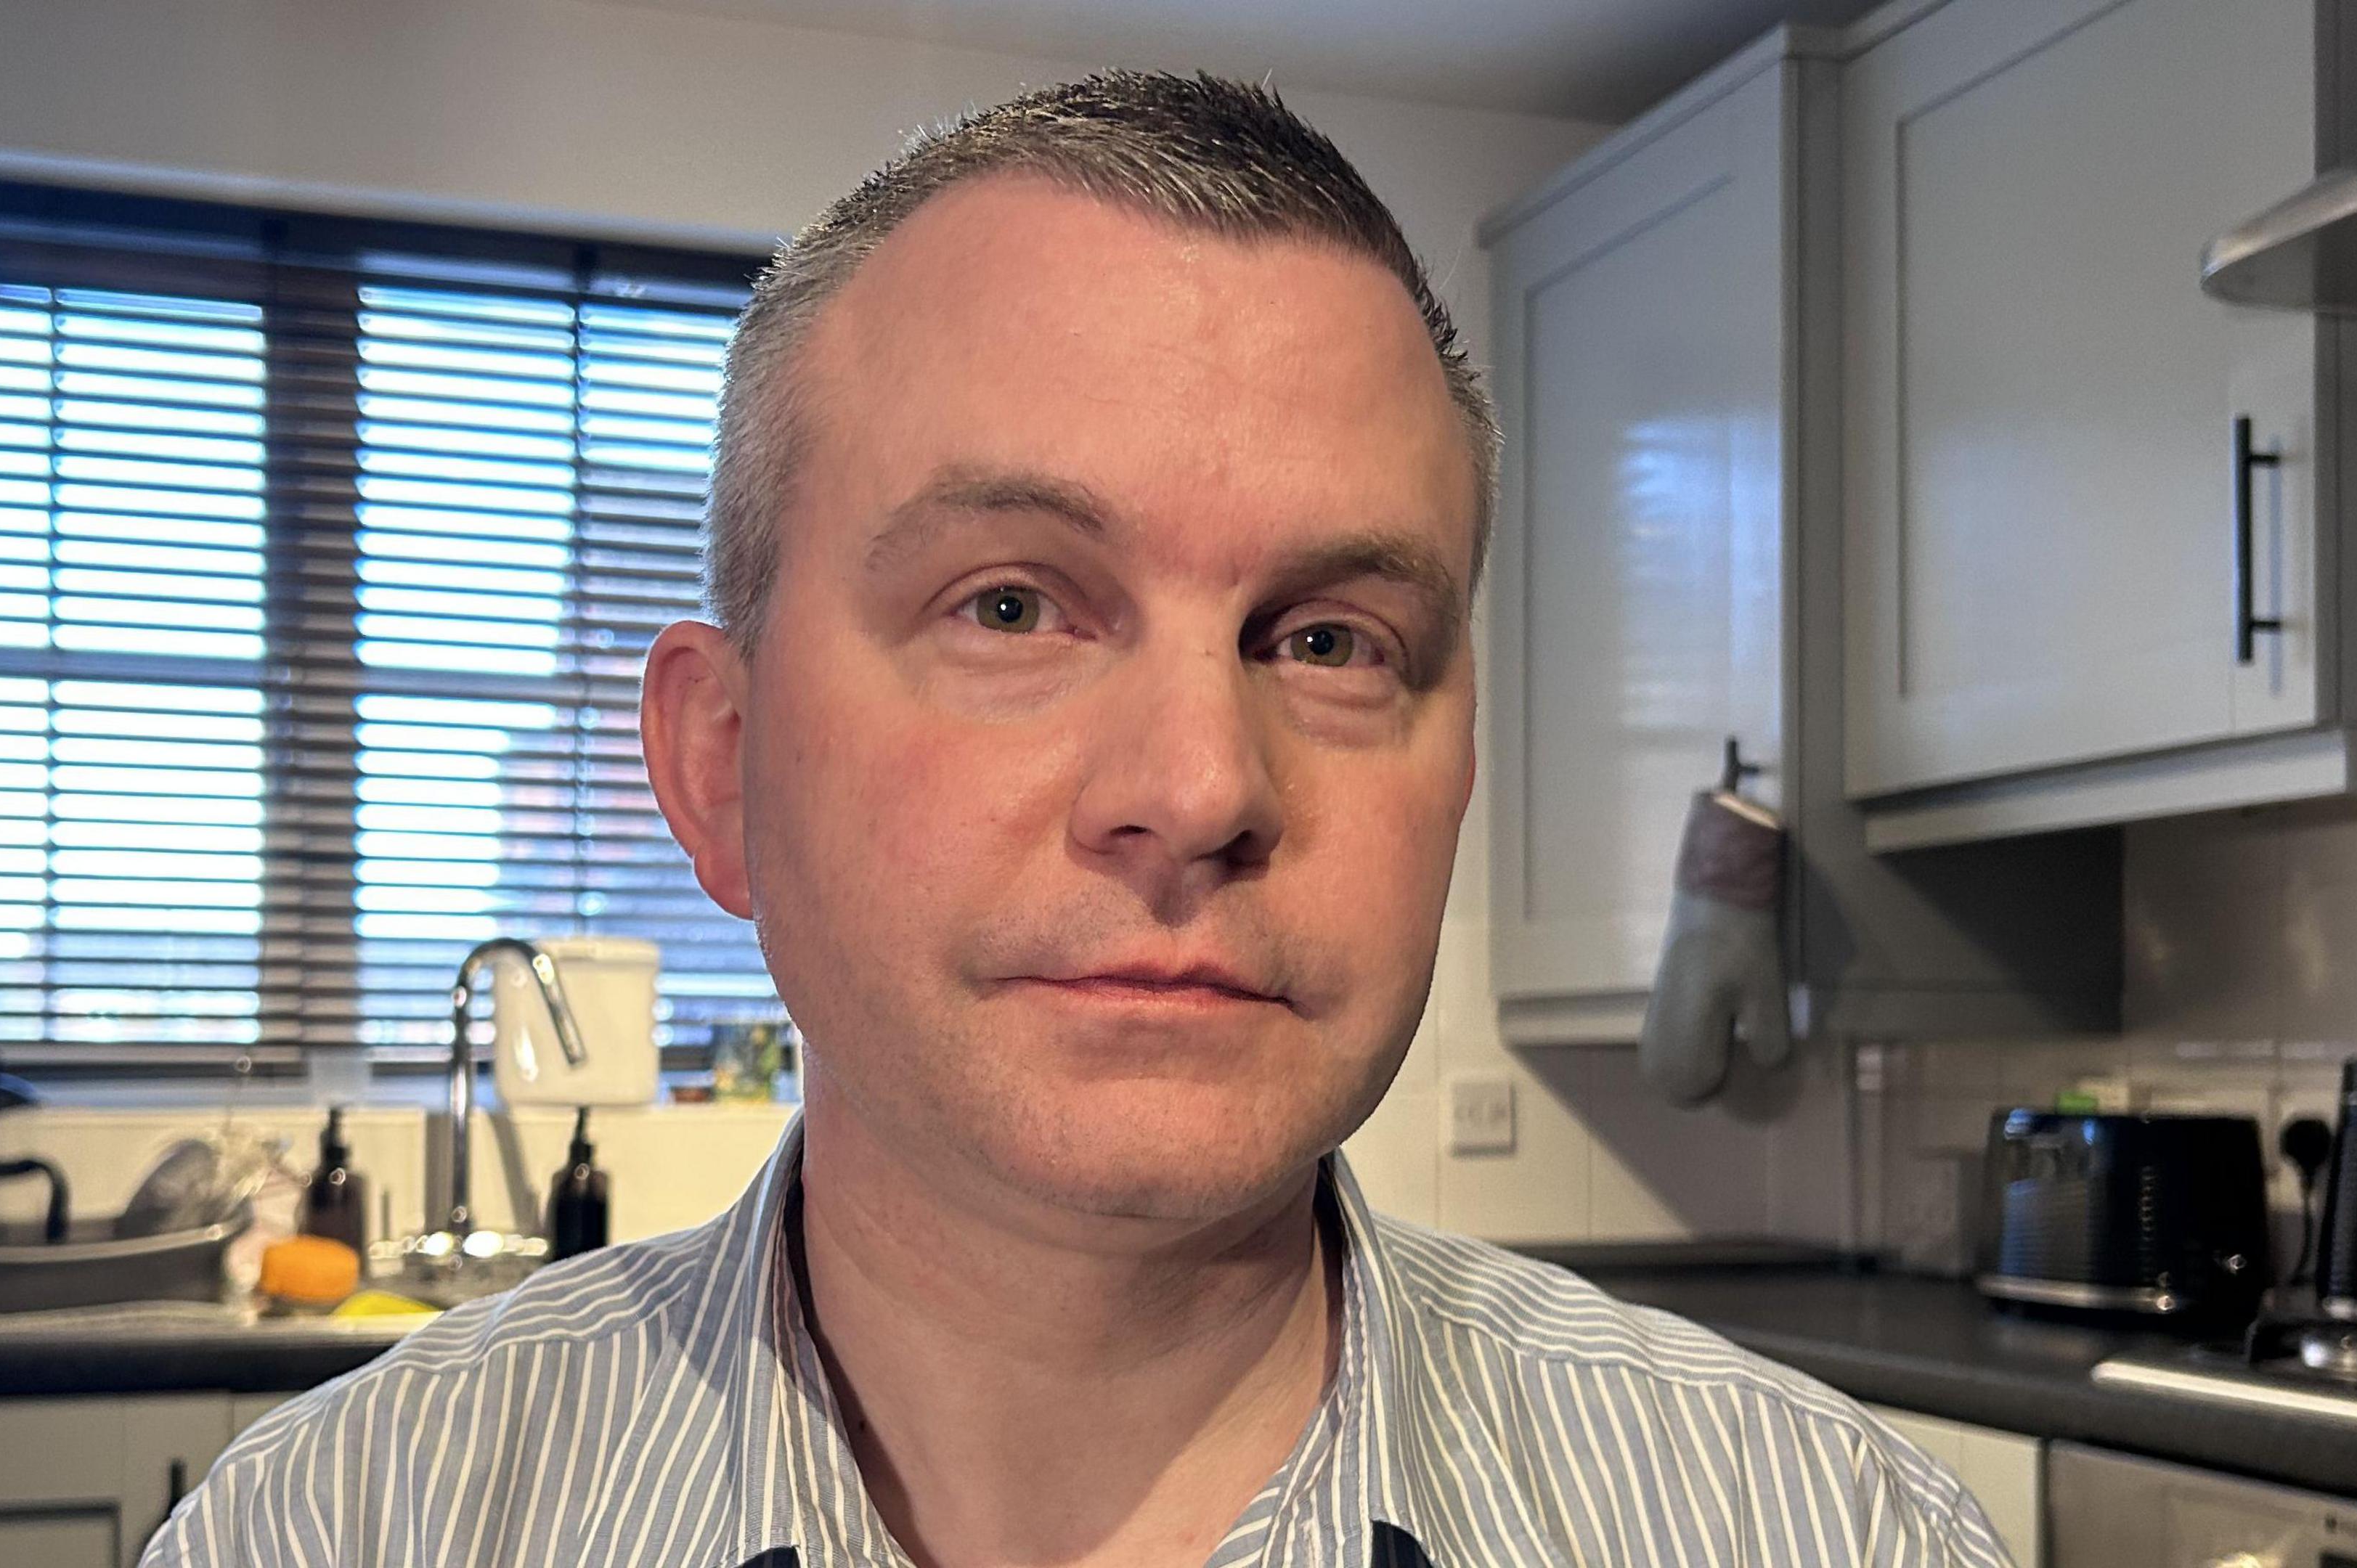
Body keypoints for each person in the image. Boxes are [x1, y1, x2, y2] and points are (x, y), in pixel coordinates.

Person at [145, 71, 2009, 1568]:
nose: (1198, 791)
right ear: (721, 768)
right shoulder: (332, 1531)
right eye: (1014, 607)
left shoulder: (1827, 1534)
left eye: (1333, 639)